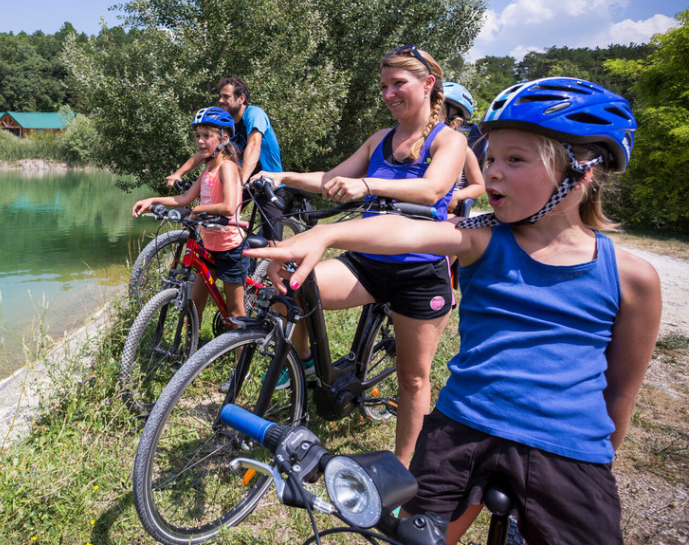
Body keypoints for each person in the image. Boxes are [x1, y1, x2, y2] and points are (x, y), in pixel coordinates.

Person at [247, 77, 661, 545]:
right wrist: (326, 236)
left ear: (582, 171)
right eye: (490, 158)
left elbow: (620, 394)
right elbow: (407, 231)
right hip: (462, 426)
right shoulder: (481, 236)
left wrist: (593, 458)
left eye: (515, 159)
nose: (492, 174)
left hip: (567, 449)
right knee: (412, 536)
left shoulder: (633, 278)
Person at [252, 45, 467, 466]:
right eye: (383, 86)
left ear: (428, 85)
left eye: (397, 84)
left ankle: (403, 470)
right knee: (295, 289)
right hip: (367, 262)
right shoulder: (379, 140)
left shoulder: (450, 140)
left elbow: (432, 190)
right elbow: (331, 179)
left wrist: (368, 185)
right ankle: (309, 365)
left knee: (413, 377)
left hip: (419, 272)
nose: (388, 94)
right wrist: (282, 175)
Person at [134, 107, 250, 328]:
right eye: (197, 136)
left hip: (231, 249)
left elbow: (229, 206)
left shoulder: (227, 168)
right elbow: (185, 198)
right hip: (209, 247)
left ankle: (240, 360)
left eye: (207, 136)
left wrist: (199, 210)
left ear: (224, 138)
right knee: (195, 305)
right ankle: (188, 355)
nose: (200, 141)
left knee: (235, 313)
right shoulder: (207, 170)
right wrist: (152, 201)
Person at [166, 76, 285, 240]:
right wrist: (178, 173)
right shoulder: (225, 124)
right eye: (220, 96)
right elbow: (204, 150)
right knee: (215, 220)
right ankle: (240, 256)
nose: (221, 100)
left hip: (268, 184)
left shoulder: (254, 114)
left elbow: (254, 145)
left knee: (274, 245)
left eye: (226, 97)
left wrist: (242, 181)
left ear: (241, 98)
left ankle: (284, 262)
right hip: (241, 182)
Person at [441, 82, 485, 215]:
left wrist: (456, 196)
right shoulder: (419, 145)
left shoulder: (464, 152)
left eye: (434, 115)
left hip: (447, 210)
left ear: (455, 122)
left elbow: (478, 186)